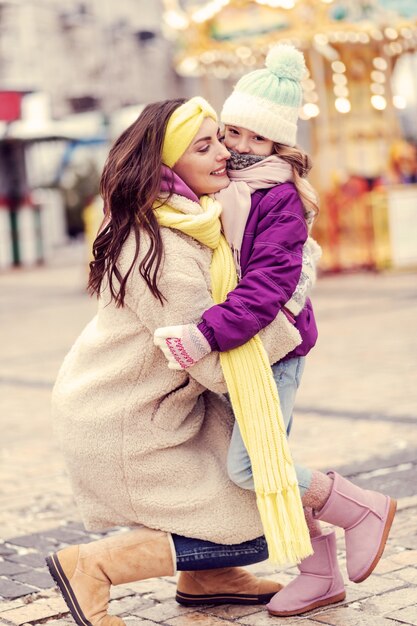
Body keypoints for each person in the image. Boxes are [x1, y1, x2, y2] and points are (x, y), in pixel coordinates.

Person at [45, 95, 310, 626]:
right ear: (166, 165)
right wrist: (290, 312)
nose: (225, 155)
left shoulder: (194, 220)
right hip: (126, 419)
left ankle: (207, 579)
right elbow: (211, 365)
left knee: (244, 492)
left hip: (163, 406)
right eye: (205, 146)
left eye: (223, 140)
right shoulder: (163, 245)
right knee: (250, 504)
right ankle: (89, 567)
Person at [153, 45, 397, 617]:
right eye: (231, 131)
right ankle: (318, 574)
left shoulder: (278, 196)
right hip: (242, 346)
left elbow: (266, 285)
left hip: (272, 345)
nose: (238, 146)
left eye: (255, 139)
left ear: (277, 145)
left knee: (251, 465)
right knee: (263, 458)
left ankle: (360, 507)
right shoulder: (227, 187)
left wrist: (205, 335)